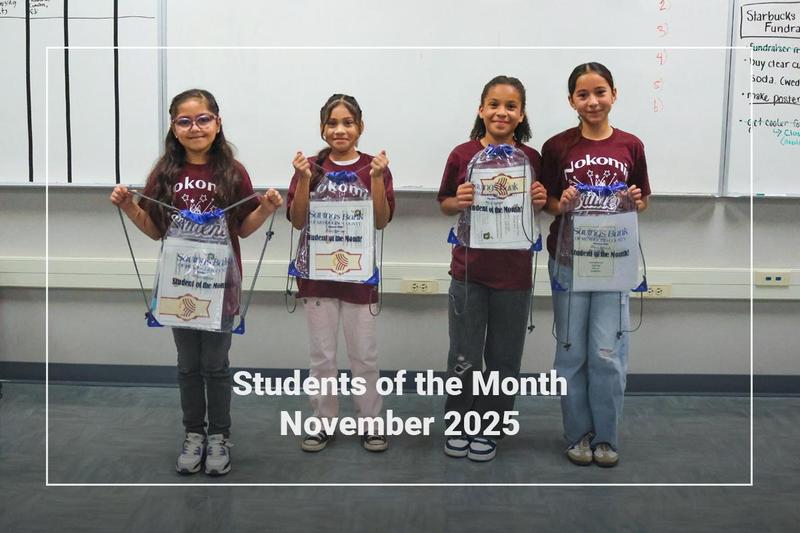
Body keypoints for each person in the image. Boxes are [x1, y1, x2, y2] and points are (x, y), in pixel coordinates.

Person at [110, 88, 283, 475]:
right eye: (184, 121)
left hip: (221, 286)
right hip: (179, 283)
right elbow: (155, 230)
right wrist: (128, 205)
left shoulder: (233, 172)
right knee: (188, 365)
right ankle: (193, 434)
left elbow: (244, 227)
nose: (195, 127)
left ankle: (219, 435)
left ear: (217, 123)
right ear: (174, 128)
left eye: (203, 119)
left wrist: (268, 209)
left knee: (215, 365)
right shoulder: (164, 173)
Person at [540, 62, 650, 467]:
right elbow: (548, 203)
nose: (593, 101)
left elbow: (642, 200)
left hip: (614, 263)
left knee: (607, 354)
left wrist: (636, 201)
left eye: (600, 92)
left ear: (613, 94)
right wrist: (562, 203)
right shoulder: (557, 147)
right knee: (571, 354)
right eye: (583, 94)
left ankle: (606, 436)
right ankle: (577, 435)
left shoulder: (631, 145)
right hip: (569, 262)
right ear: (572, 100)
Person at [437, 75, 547, 462]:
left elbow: (541, 206)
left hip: (514, 275)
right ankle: (460, 424)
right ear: (481, 109)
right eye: (494, 104)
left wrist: (540, 198)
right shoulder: (462, 154)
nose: (502, 112)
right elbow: (445, 204)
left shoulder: (531, 159)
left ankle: (490, 428)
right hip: (468, 272)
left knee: (504, 359)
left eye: (511, 106)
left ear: (521, 114)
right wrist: (459, 200)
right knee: (464, 355)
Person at [287, 94, 395, 453]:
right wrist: (303, 179)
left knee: (364, 356)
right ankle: (323, 422)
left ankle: (371, 422)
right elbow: (297, 219)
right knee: (322, 357)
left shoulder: (373, 166)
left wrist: (376, 178)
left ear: (360, 127)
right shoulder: (310, 168)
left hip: (359, 279)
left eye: (348, 123)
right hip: (318, 278)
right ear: (322, 129)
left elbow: (381, 220)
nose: (340, 130)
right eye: (332, 123)